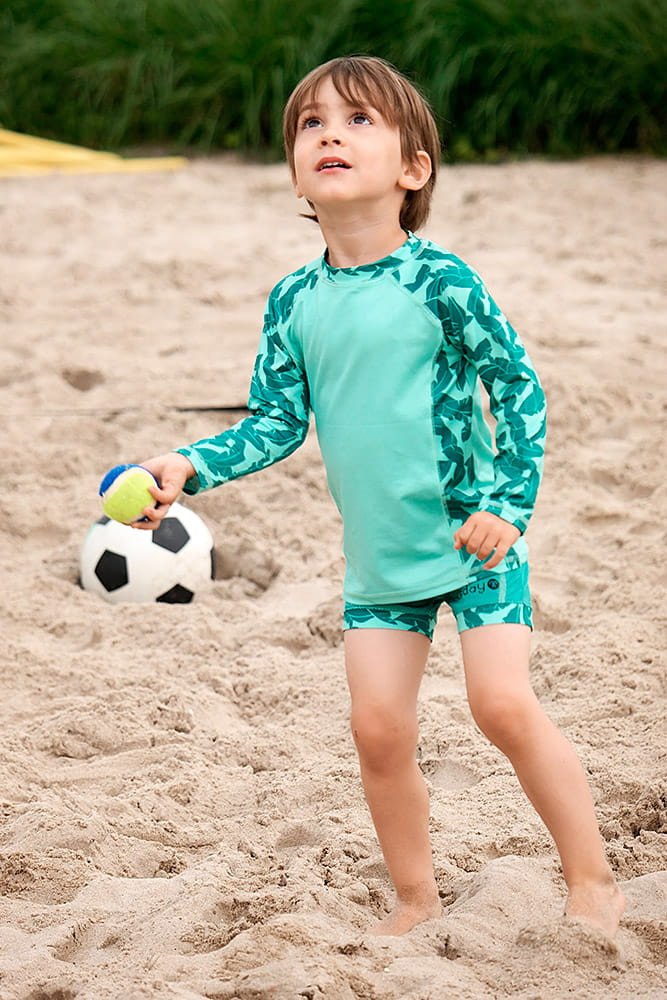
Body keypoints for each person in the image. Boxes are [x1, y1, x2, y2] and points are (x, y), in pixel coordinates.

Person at [132, 55, 625, 938]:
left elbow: (518, 389)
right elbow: (276, 422)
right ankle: (413, 899)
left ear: (411, 169)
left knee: (501, 706)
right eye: (311, 123)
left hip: (475, 542)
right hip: (379, 560)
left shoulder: (440, 280)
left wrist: (508, 510)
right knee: (378, 732)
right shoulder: (293, 299)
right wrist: (188, 465)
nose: (329, 133)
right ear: (293, 169)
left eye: (358, 121)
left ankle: (589, 877)